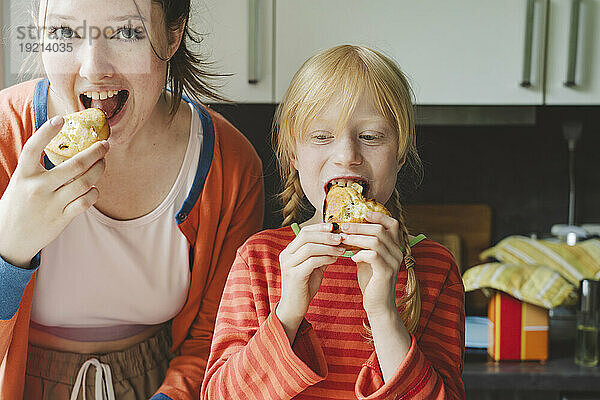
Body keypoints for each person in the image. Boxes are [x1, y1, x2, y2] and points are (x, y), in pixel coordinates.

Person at [0, 0, 264, 399]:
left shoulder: (231, 166)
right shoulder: (5, 138)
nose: (93, 69)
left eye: (127, 32)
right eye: (65, 33)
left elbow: (214, 339)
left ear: (173, 34)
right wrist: (10, 251)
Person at [201, 45, 465, 399]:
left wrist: (384, 314)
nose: (347, 156)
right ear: (294, 153)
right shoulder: (259, 261)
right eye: (322, 136)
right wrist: (289, 313)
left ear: (400, 152)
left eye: (370, 137)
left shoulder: (436, 269)